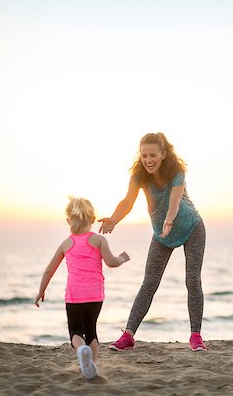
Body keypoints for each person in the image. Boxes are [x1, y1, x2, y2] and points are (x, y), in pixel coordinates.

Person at [99, 132, 207, 352]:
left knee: (192, 280)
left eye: (153, 155)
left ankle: (196, 336)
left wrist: (169, 220)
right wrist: (114, 219)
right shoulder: (139, 176)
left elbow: (175, 201)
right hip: (161, 234)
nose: (148, 160)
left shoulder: (176, 171)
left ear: (163, 155)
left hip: (191, 227)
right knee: (149, 283)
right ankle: (128, 336)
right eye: (144, 155)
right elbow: (128, 202)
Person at [35, 196, 130, 379]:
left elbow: (49, 270)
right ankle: (92, 365)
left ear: (68, 220)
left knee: (75, 331)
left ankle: (81, 350)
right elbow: (111, 262)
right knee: (91, 329)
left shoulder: (66, 243)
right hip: (95, 295)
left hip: (74, 296)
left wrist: (41, 291)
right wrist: (122, 258)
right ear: (93, 219)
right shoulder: (99, 240)